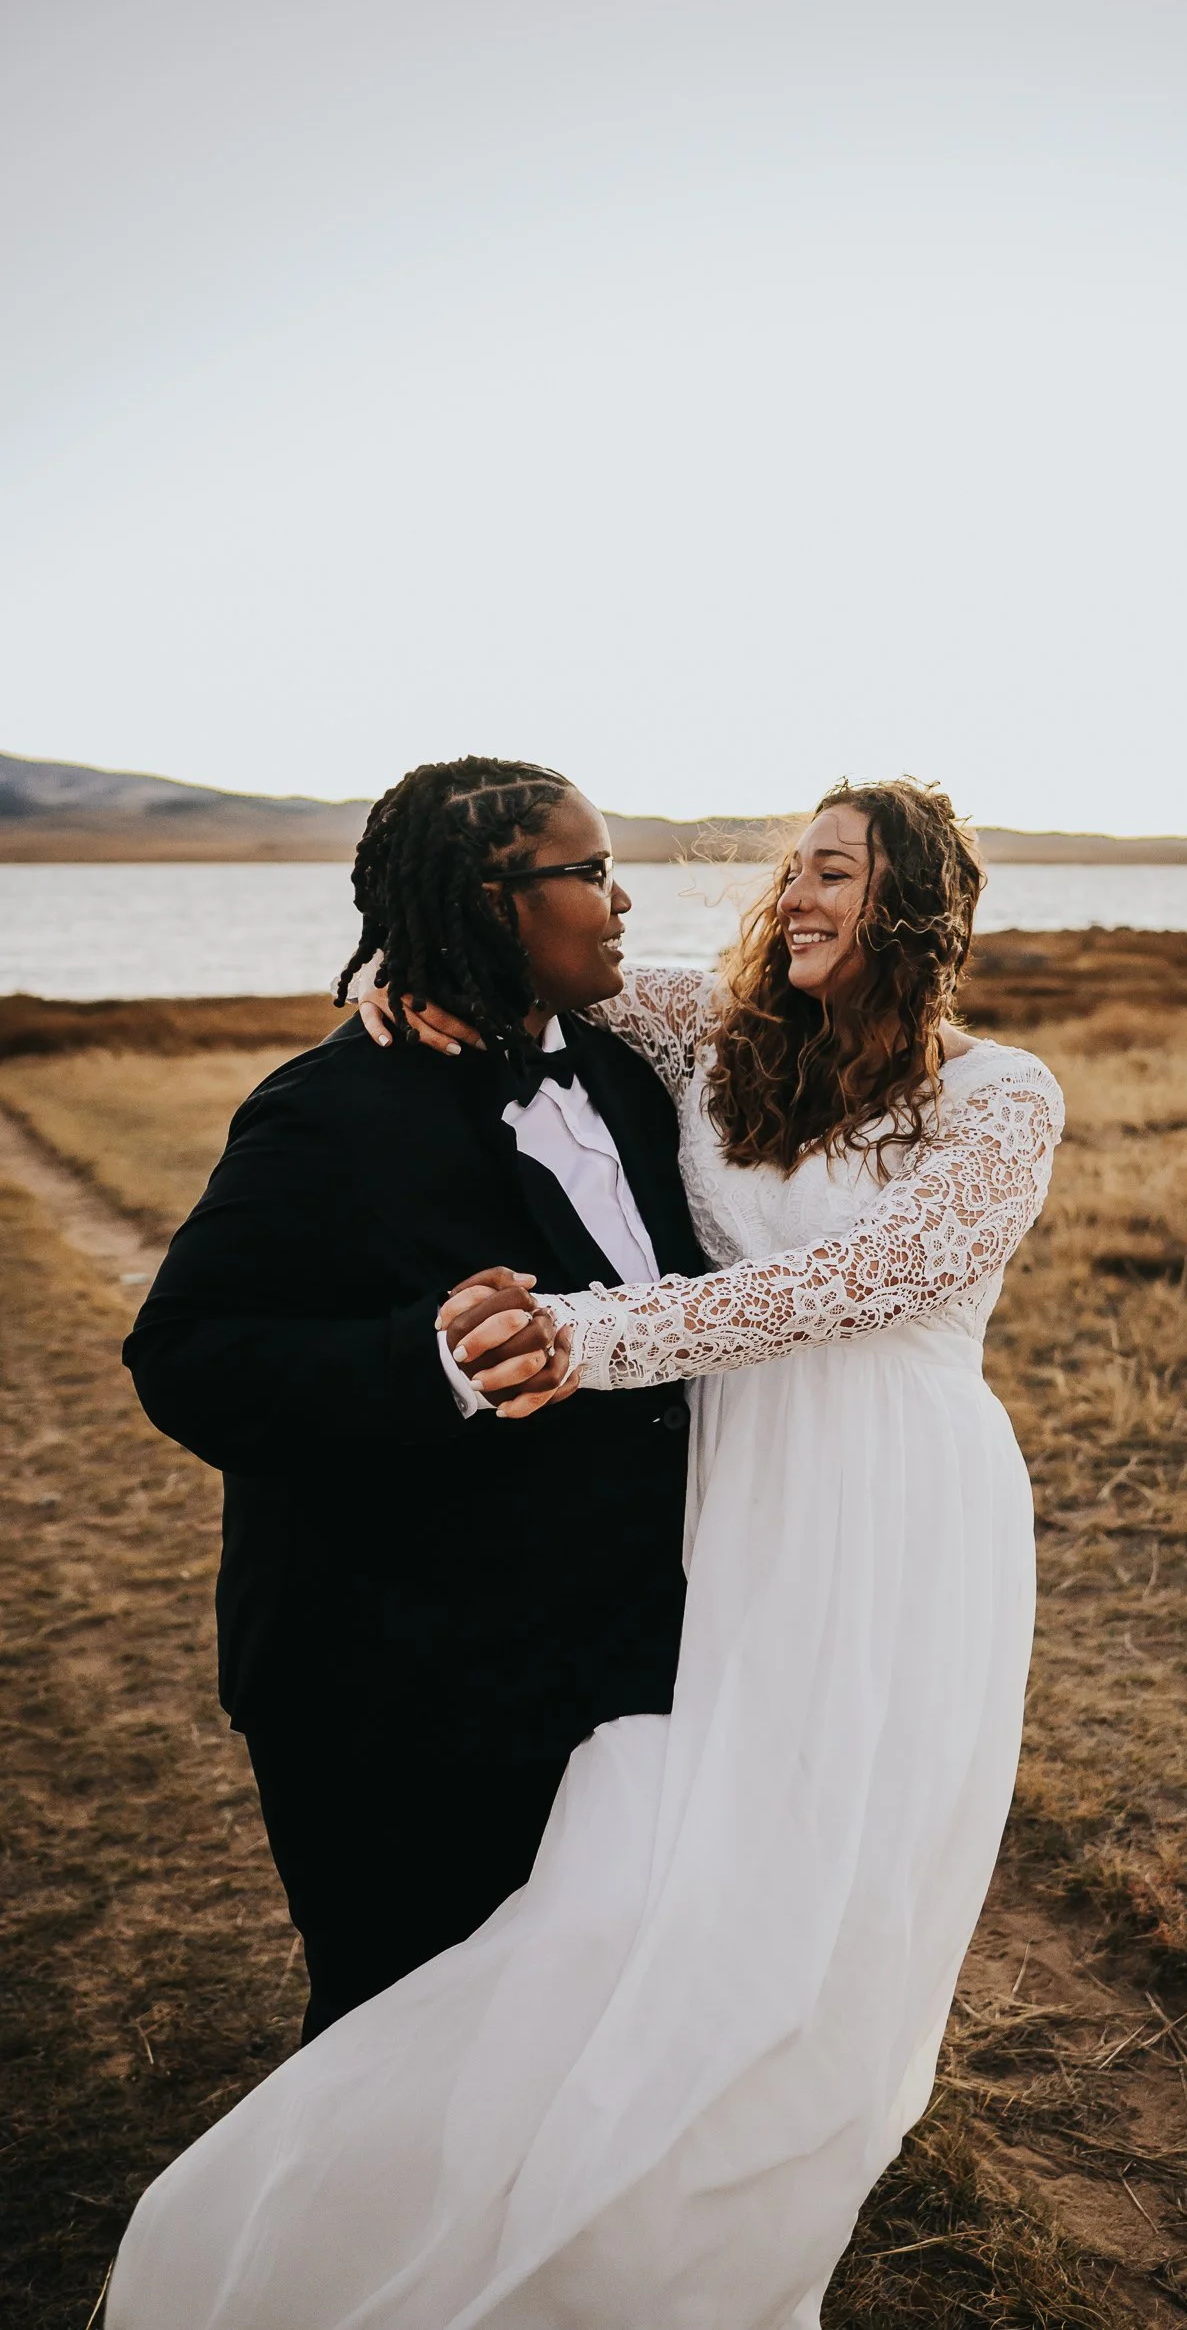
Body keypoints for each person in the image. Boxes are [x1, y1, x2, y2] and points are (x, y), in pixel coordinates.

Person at [110, 777, 1065, 2330]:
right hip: (431, 1653)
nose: (789, 896)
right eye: (794, 868)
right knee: (432, 1998)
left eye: (839, 872)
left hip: (829, 1538)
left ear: (913, 910)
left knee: (742, 1912)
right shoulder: (415, 1091)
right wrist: (385, 994)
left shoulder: (949, 1090)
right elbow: (192, 1352)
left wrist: (581, 1333)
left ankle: (646, 2224)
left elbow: (865, 1277)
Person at [121, 758, 707, 2038]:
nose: (623, 901)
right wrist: (429, 1364)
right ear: (497, 901)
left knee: (577, 2021)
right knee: (402, 2030)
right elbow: (183, 1352)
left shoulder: (624, 1079)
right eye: (593, 870)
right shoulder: (327, 1112)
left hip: (607, 1655)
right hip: (393, 1691)